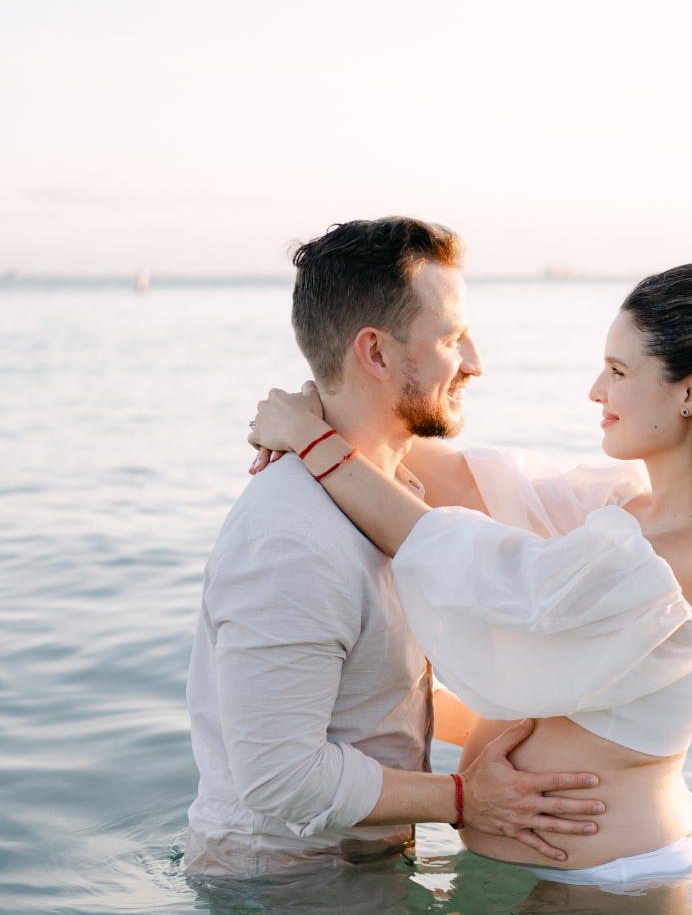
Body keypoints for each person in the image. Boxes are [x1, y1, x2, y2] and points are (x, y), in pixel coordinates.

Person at [244, 262, 692, 889]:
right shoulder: (621, 510)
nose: (597, 390)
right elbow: (460, 480)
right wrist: (325, 404)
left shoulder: (685, 560)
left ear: (691, 392)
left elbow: (479, 566)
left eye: (619, 372)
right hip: (560, 887)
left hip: (616, 892)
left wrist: (315, 441)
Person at [186, 218, 613, 876]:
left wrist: (555, 748)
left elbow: (369, 705)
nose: (475, 361)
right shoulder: (288, 542)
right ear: (377, 354)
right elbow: (278, 778)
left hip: (358, 880)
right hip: (288, 899)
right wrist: (468, 800)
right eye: (450, 338)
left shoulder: (396, 489)